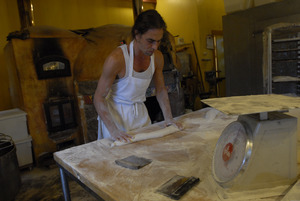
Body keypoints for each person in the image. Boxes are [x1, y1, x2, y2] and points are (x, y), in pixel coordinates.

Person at [93, 9, 183, 142]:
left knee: (147, 152)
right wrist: (114, 131)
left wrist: (169, 119)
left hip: (140, 113)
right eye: (150, 41)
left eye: (158, 41)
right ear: (137, 35)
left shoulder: (157, 58)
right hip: (115, 117)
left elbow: (161, 90)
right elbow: (99, 97)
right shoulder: (117, 59)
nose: (155, 47)